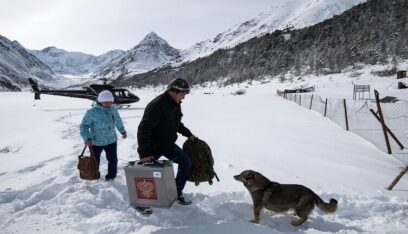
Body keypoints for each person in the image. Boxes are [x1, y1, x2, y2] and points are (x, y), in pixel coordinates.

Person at [136, 78, 197, 214]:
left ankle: (175, 193)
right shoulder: (157, 105)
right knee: (146, 174)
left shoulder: (176, 103)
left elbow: (176, 123)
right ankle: (141, 202)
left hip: (168, 144)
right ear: (174, 91)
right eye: (183, 94)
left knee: (185, 162)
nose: (184, 97)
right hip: (152, 147)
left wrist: (188, 134)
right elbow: (143, 129)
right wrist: (145, 154)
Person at [80, 90, 127, 181]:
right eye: (106, 102)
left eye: (110, 102)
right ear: (100, 101)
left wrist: (123, 131)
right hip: (96, 142)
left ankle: (111, 176)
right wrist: (87, 138)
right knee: (95, 160)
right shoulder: (92, 112)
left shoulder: (113, 109)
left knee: (113, 160)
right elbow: (84, 126)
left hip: (111, 140)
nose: (108, 104)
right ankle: (94, 174)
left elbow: (118, 121)